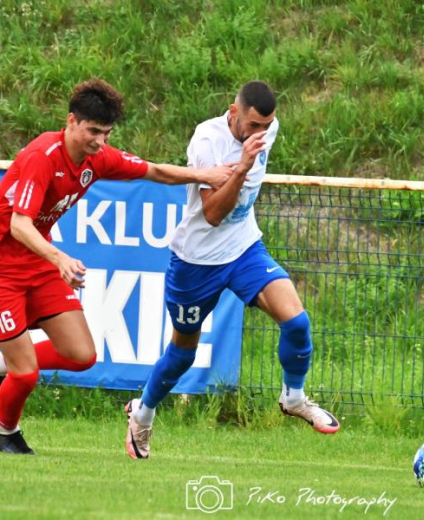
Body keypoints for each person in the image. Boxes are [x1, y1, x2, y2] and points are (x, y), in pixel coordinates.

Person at [0, 78, 234, 455]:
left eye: (106, 133)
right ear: (71, 121)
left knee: (81, 354)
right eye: (93, 131)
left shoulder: (97, 157)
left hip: (36, 258)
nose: (100, 141)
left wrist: (204, 175)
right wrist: (59, 257)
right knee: (25, 374)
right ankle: (6, 432)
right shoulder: (42, 156)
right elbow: (19, 224)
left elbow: (154, 171)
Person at [123, 80, 339, 460]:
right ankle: (142, 414)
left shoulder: (268, 128)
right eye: (254, 125)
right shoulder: (207, 139)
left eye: (267, 125)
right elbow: (213, 214)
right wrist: (242, 167)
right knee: (182, 354)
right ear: (233, 112)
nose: (261, 133)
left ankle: (293, 397)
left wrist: (251, 154)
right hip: (196, 261)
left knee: (297, 322)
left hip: (243, 248)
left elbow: (234, 217)